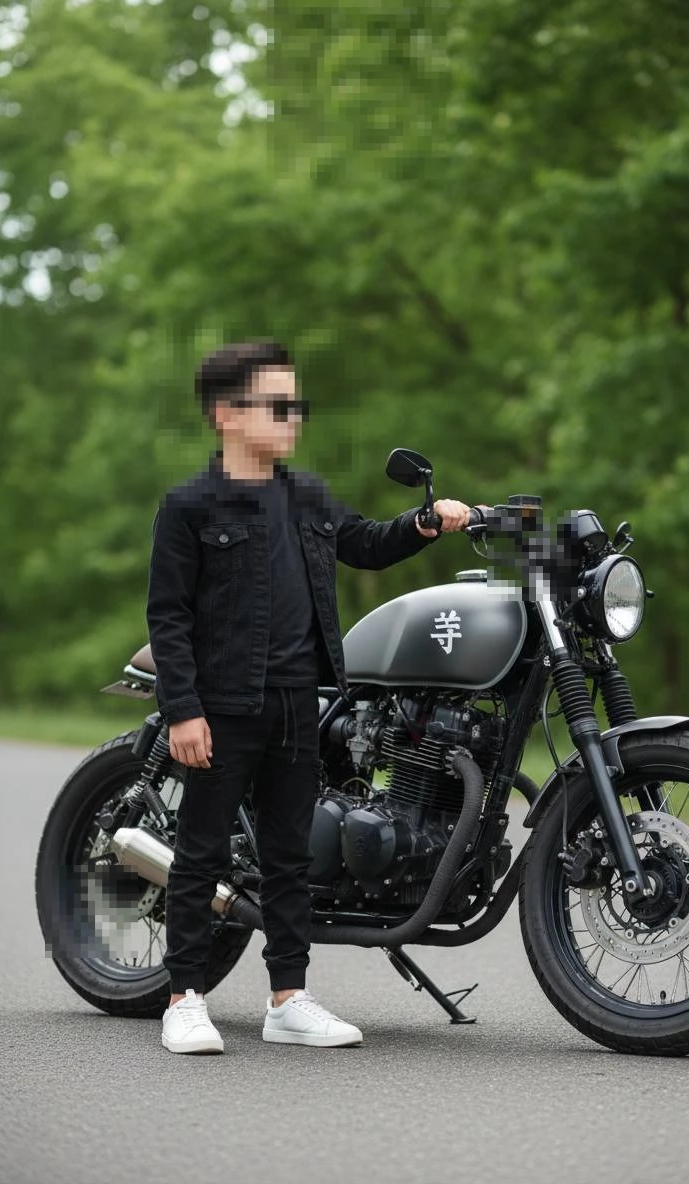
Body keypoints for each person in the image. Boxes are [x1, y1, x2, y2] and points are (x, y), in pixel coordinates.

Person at [146, 339, 472, 1054]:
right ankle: (184, 998)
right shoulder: (190, 507)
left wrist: (424, 524)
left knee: (287, 857)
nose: (294, 415)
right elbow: (167, 618)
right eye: (278, 403)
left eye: (298, 404)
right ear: (228, 414)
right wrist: (183, 710)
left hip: (301, 699)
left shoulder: (309, 496)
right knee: (201, 855)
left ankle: (287, 999)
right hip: (223, 704)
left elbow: (365, 543)